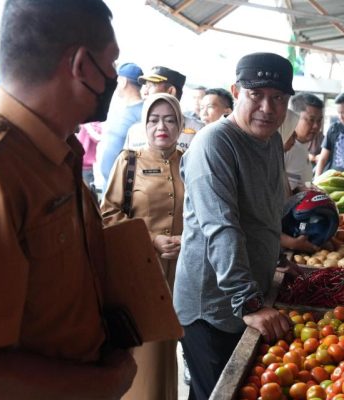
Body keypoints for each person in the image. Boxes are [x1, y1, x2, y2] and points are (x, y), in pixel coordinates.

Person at [0, 0, 136, 398]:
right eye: (112, 62)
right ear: (82, 66)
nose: (115, 76)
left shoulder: (56, 151)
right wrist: (101, 385)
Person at [174, 52, 295, 399]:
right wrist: (250, 304)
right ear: (236, 91)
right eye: (256, 95)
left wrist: (280, 258)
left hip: (247, 294)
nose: (268, 108)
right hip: (211, 306)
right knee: (216, 392)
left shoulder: (271, 139)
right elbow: (221, 228)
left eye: (278, 98)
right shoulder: (214, 144)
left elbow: (266, 211)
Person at [101, 93, 184, 400]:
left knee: (167, 350)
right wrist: (151, 240)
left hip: (184, 274)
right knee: (144, 351)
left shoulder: (189, 162)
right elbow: (107, 213)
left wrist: (186, 241)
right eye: (154, 119)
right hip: (141, 273)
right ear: (145, 124)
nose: (161, 125)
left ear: (180, 124)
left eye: (170, 119)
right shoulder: (130, 161)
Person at [126, 66, 203, 151]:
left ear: (170, 91)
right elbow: (129, 163)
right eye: (145, 87)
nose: (145, 93)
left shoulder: (198, 131)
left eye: (150, 86)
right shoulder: (135, 132)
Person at [95, 62, 144, 192]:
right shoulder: (120, 108)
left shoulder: (142, 113)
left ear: (122, 81)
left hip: (122, 189)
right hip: (108, 184)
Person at [283, 92, 324, 192]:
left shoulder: (302, 147)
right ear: (294, 117)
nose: (316, 126)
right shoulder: (287, 148)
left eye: (319, 121)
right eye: (311, 120)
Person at [76, 121, 103, 188]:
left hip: (86, 166)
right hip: (79, 162)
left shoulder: (93, 124)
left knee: (87, 191)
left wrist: (87, 125)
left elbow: (97, 137)